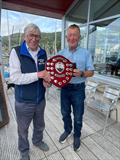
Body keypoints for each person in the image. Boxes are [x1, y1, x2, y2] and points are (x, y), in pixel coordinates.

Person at [9, 23, 51, 160]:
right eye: (31, 35)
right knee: (23, 129)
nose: (34, 39)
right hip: (24, 101)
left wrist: (46, 81)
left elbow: (46, 74)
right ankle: (24, 151)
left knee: (40, 125)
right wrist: (38, 75)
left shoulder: (43, 52)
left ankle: (37, 141)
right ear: (25, 36)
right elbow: (15, 78)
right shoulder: (16, 52)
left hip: (40, 100)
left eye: (37, 36)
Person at [58, 24, 94, 151]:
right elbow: (56, 71)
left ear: (79, 37)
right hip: (65, 88)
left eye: (75, 35)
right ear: (67, 37)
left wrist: (82, 73)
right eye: (70, 35)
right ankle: (67, 130)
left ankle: (77, 135)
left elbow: (91, 71)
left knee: (78, 116)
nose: (72, 38)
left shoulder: (86, 53)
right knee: (64, 113)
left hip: (78, 88)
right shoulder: (61, 53)